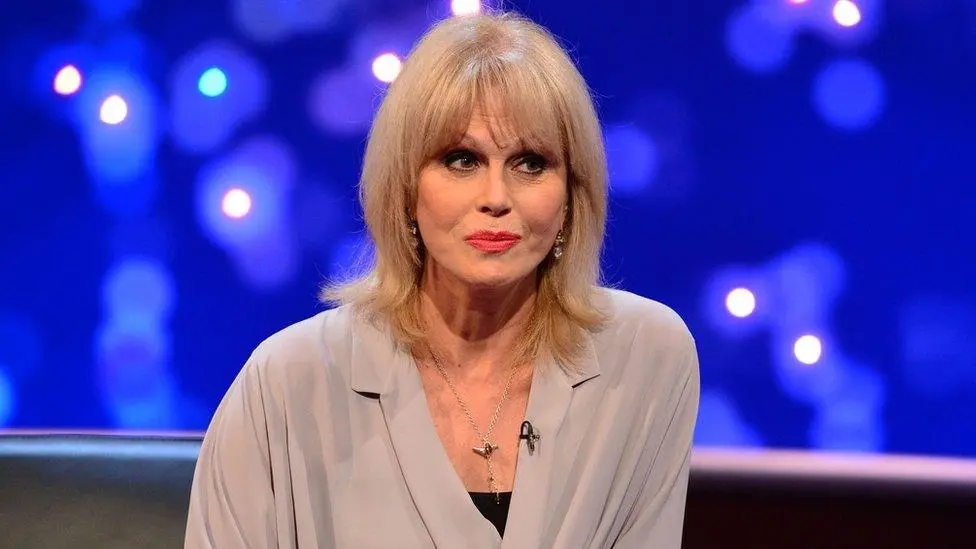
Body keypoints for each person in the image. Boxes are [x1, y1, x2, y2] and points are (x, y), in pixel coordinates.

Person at [184, 10, 700, 549]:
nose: (496, 198)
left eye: (530, 163)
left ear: (572, 193)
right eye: (461, 160)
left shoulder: (646, 357)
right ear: (406, 187)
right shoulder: (288, 382)